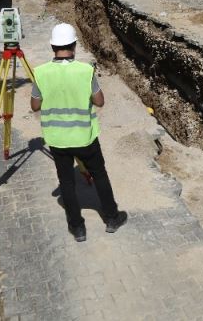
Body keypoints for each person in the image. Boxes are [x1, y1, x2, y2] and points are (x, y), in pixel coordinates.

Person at [30, 23, 127, 242]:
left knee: (66, 182)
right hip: (84, 137)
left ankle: (77, 228)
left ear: (53, 47)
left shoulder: (41, 73)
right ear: (73, 46)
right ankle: (112, 218)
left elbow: (35, 106)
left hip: (57, 139)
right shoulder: (85, 71)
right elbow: (100, 102)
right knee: (99, 175)